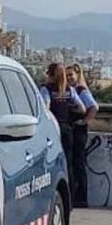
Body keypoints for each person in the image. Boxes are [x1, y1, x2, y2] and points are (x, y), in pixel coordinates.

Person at [39, 63, 86, 198]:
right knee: (68, 164)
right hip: (67, 130)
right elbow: (82, 108)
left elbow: (45, 108)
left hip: (53, 131)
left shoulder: (46, 89)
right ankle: (70, 196)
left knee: (50, 164)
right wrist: (70, 109)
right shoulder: (69, 90)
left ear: (51, 75)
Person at [67, 63, 99, 208]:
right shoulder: (69, 91)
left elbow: (94, 107)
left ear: (77, 75)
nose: (68, 78)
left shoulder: (81, 91)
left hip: (78, 132)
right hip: (72, 130)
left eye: (71, 75)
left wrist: (84, 121)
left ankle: (81, 197)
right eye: (66, 76)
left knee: (78, 163)